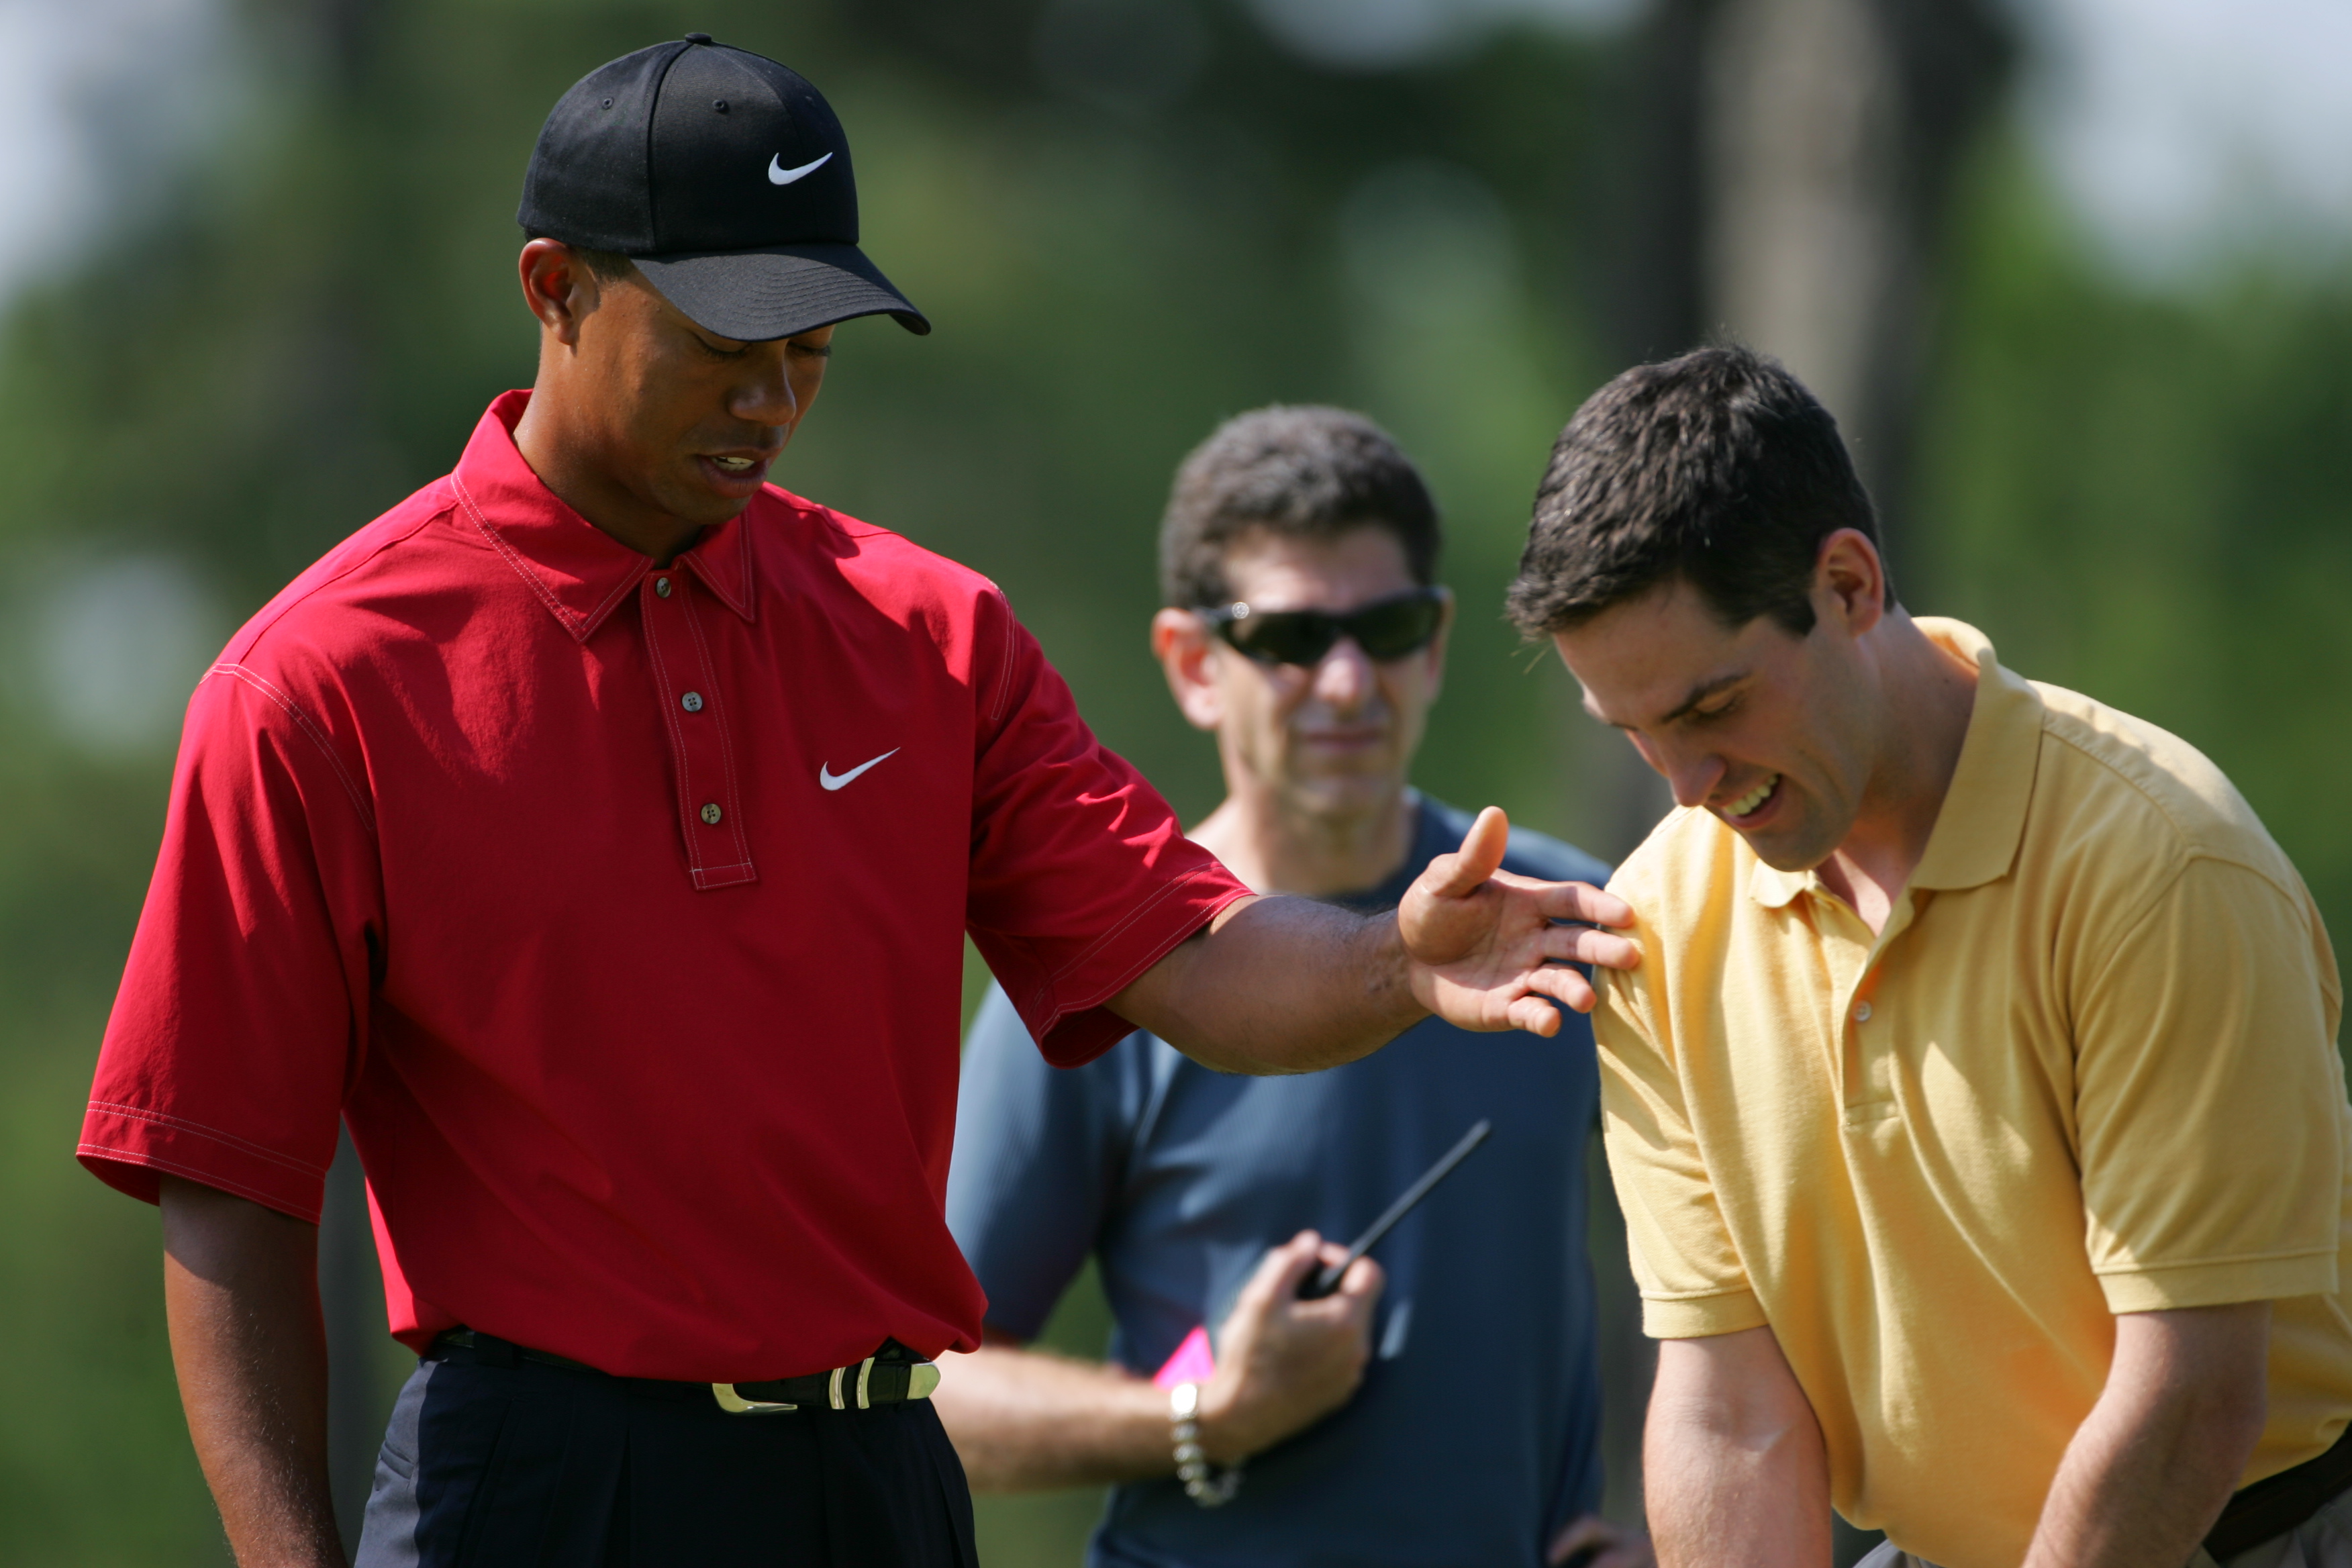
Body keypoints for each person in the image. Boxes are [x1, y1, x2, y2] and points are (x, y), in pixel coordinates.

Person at [72, 38, 1637, 1568]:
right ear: (556, 288)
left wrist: (1393, 965)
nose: (771, 396)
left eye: (811, 346)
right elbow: (228, 1191)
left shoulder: (931, 635)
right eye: (724, 342)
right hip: (548, 1489)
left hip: (882, 1478)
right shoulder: (316, 683)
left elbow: (1193, 954)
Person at [1507, 344, 2352, 1568]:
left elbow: (2190, 1403)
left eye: (1709, 709)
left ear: (1848, 584)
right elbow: (1729, 1409)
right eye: (1633, 732)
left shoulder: (2161, 862)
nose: (1685, 789)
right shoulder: (1651, 924)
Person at [935, 406, 1651, 1568]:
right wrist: (1204, 1419)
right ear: (1190, 664)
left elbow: (1755, 1279)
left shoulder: (1568, 919)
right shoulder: (1106, 967)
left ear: (1437, 640)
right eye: (1291, 637)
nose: (1349, 681)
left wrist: (1681, 1541)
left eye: (1390, 626)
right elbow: (932, 1397)